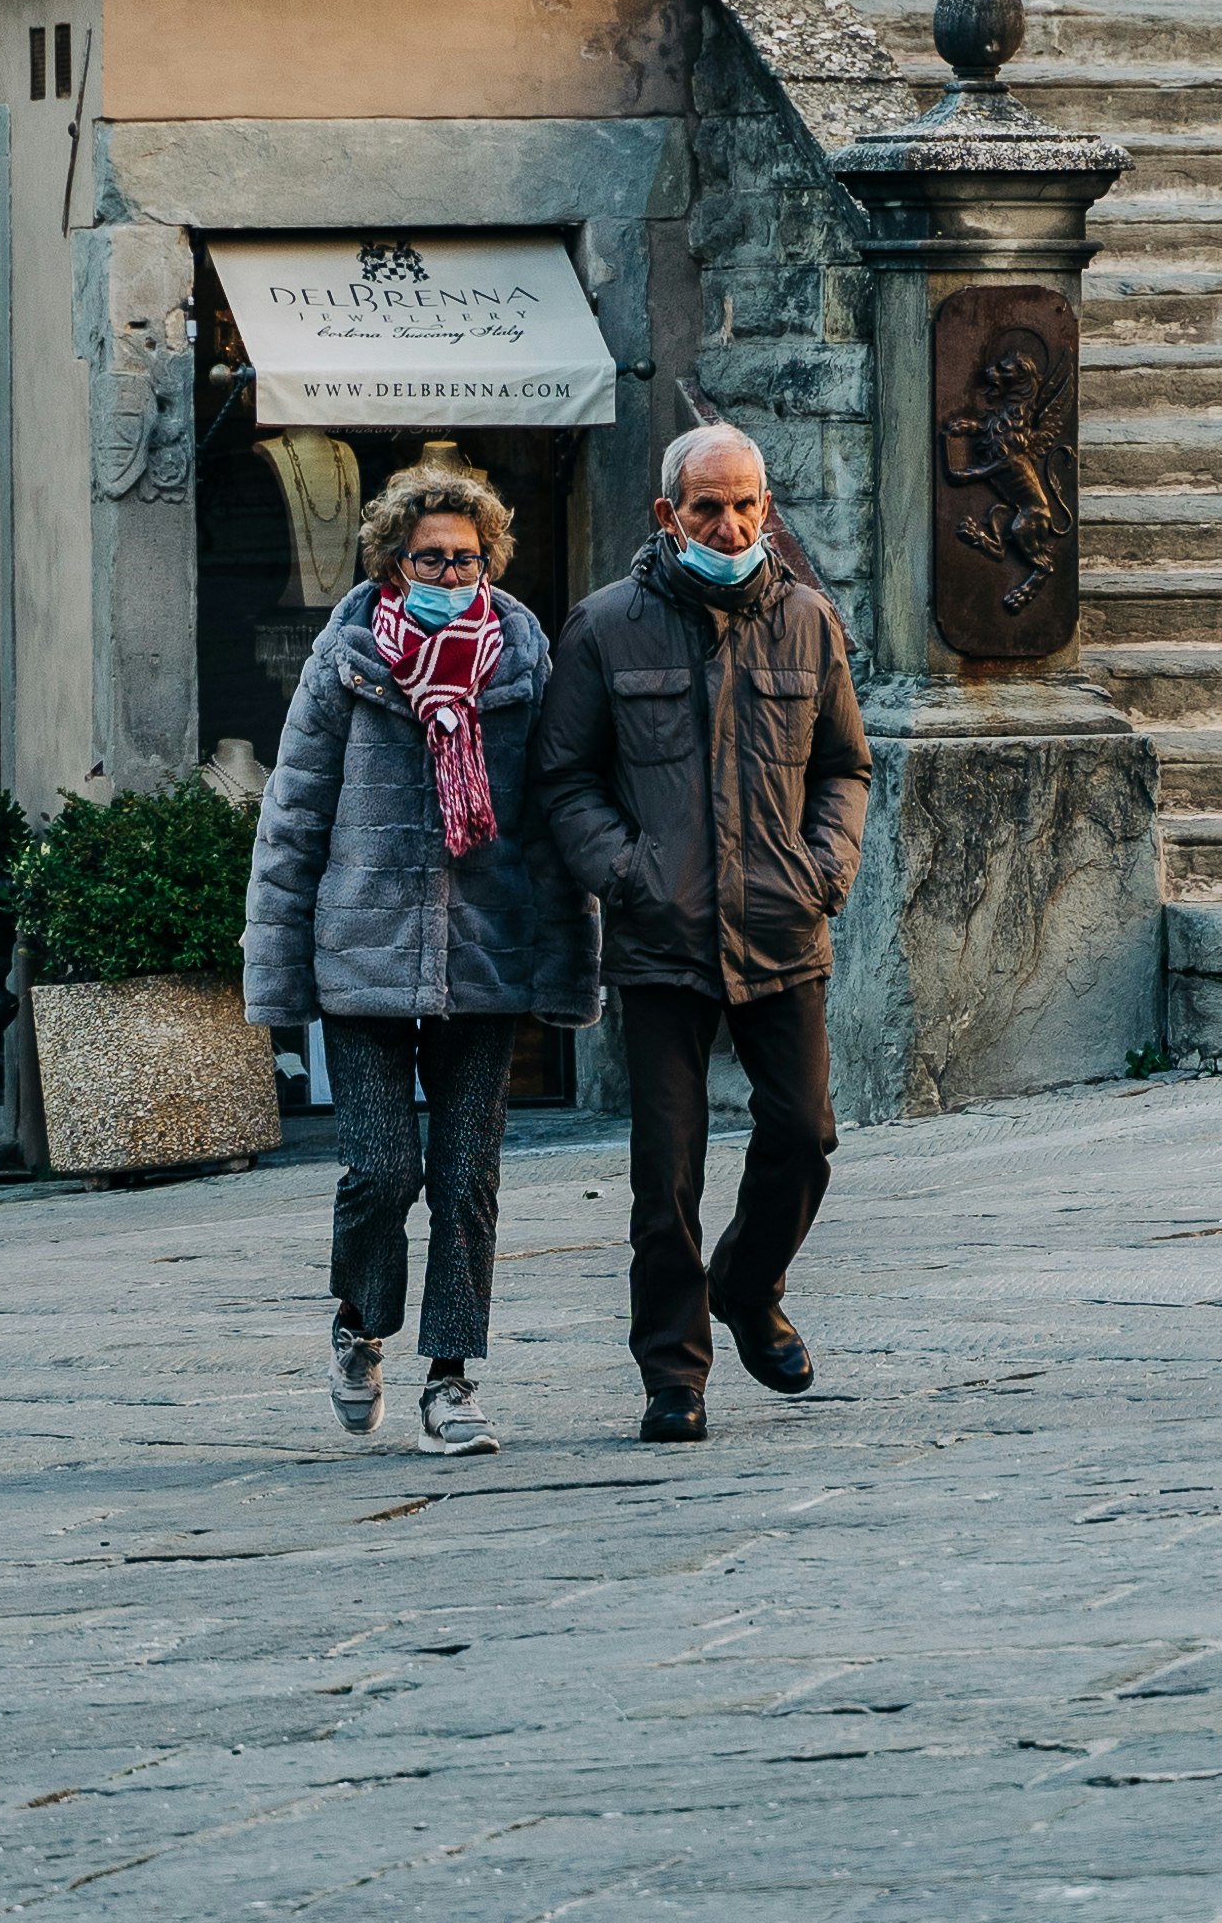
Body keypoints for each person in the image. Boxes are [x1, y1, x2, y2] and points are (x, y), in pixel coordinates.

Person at [242, 455, 596, 1457]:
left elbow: (548, 825)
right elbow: (294, 818)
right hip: (363, 948)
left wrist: (567, 957)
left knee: (467, 1172)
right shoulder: (344, 660)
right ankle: (359, 1324)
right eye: (431, 557)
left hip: (485, 954)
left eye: (467, 556)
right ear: (393, 564)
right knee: (381, 1168)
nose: (451, 572)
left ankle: (453, 1375)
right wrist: (276, 968)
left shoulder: (525, 664)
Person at [533, 418, 871, 1446]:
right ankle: (672, 1373)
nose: (726, 525)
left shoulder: (810, 621)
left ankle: (746, 1283)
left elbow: (843, 766)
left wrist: (824, 868)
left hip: (780, 920)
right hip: (662, 930)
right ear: (665, 513)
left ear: (767, 507)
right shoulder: (603, 624)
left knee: (803, 1136)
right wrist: (624, 873)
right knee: (664, 1172)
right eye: (705, 506)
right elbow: (563, 774)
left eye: (743, 504)